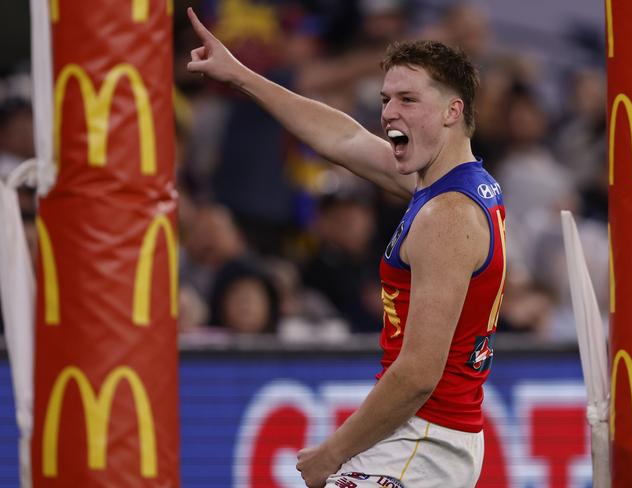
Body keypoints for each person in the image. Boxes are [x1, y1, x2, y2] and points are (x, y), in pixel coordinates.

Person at [186, 7, 506, 488]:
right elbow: (342, 136)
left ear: (452, 110)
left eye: (407, 99)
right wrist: (241, 75)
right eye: (385, 99)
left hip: (423, 441)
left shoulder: (447, 216)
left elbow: (419, 373)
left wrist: (332, 453)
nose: (388, 112)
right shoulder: (451, 187)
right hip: (423, 438)